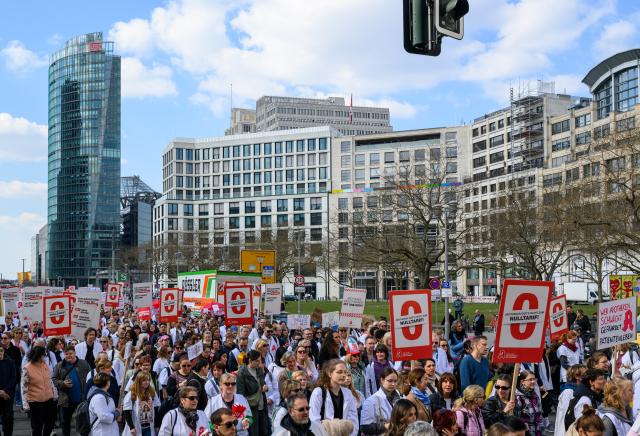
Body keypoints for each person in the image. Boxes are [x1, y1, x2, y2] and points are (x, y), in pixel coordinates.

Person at [309, 359, 359, 436]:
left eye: (345, 372)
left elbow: (353, 420)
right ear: (329, 374)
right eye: (339, 372)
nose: (343, 375)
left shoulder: (348, 393)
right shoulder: (318, 393)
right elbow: (314, 420)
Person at [52, 345, 91, 436]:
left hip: (81, 399)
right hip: (66, 400)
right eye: (66, 354)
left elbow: (90, 377)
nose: (68, 355)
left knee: (83, 421)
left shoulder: (84, 363)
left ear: (75, 353)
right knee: (65, 422)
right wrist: (63, 384)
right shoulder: (60, 365)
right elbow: (54, 379)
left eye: (70, 353)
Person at [21, 345, 57, 436]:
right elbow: (24, 387)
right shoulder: (27, 368)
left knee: (50, 422)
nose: (45, 357)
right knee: (37, 426)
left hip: (49, 399)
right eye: (43, 355)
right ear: (37, 355)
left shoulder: (45, 364)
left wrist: (54, 393)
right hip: (35, 402)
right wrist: (25, 404)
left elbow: (49, 380)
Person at [237, 349, 269, 436]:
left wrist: (265, 387)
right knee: (254, 432)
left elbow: (262, 383)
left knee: (264, 430)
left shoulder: (259, 370)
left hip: (262, 404)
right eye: (257, 361)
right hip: (251, 408)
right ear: (250, 361)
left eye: (260, 360)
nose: (259, 363)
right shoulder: (242, 373)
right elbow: (240, 395)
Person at [361, 367, 401, 435]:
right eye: (390, 381)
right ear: (382, 380)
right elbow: (365, 427)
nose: (393, 384)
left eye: (395, 381)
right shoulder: (371, 401)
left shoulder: (399, 397)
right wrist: (385, 426)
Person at [123, 371, 161, 436]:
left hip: (149, 427)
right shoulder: (132, 394)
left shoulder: (152, 393)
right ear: (139, 381)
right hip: (136, 427)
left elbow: (156, 409)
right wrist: (131, 427)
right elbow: (126, 412)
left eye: (148, 380)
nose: (147, 382)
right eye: (144, 380)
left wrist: (157, 425)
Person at [555, 364, 586, 436]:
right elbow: (567, 414)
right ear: (577, 376)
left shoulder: (581, 389)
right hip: (567, 428)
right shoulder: (568, 392)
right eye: (585, 374)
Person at [514, 370, 544, 436]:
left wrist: (541, 431)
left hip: (537, 432)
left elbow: (540, 416)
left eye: (534, 379)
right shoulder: (518, 397)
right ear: (522, 382)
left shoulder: (535, 394)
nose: (533, 381)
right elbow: (517, 419)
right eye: (530, 379)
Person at [0, 345, 16, 436]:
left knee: (8, 417)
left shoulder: (10, 362)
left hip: (8, 394)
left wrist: (4, 391)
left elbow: (13, 377)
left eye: (1, 350)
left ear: (3, 351)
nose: (0, 353)